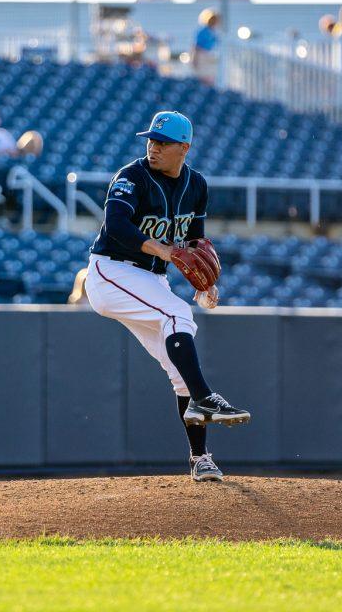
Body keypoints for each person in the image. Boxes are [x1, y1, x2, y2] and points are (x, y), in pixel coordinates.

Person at [83, 110, 250, 483]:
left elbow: (195, 239)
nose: (153, 147)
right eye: (151, 140)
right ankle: (206, 397)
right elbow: (116, 225)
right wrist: (165, 251)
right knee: (178, 316)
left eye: (162, 142)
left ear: (184, 148)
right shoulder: (132, 176)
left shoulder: (196, 184)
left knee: (179, 369)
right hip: (112, 271)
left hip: (150, 279)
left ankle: (200, 458)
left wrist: (204, 284)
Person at [192, 9, 220, 84]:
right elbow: (196, 46)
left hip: (211, 57)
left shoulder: (214, 32)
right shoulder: (203, 31)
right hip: (202, 56)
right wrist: (195, 59)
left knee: (211, 79)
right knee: (204, 79)